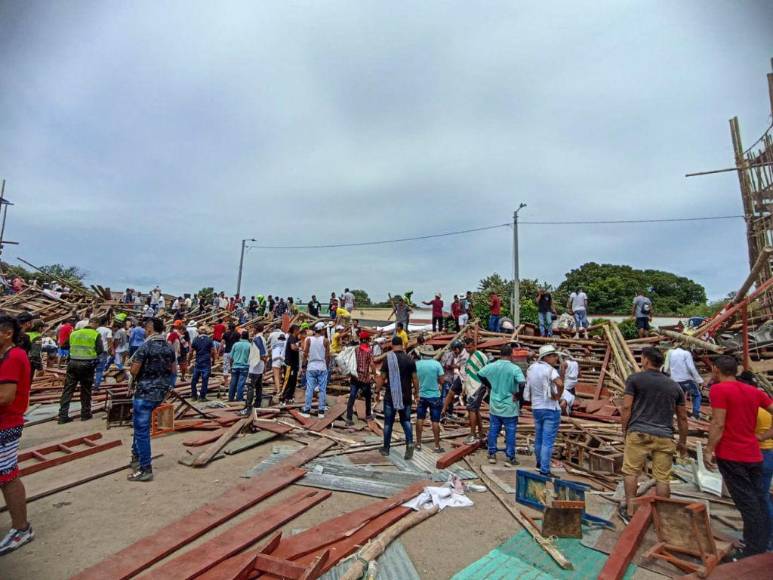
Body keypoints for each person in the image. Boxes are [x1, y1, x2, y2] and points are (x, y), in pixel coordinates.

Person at [704, 356, 773, 558]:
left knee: (747, 503)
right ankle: (760, 543)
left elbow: (718, 423)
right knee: (758, 500)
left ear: (717, 369)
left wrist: (709, 449)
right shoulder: (754, 392)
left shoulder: (719, 390)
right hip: (753, 454)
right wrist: (763, 435)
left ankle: (754, 550)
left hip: (732, 455)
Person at [620, 347, 688, 522]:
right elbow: (682, 417)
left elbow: (626, 407)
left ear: (646, 360)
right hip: (665, 436)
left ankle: (630, 511)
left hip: (639, 432)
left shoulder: (635, 379)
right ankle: (663, 516)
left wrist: (624, 429)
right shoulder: (674, 386)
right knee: (662, 478)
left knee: (631, 472)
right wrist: (682, 441)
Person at [0, 315, 34, 555]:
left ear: (6, 333)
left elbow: (5, 397)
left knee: (7, 475)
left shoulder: (13, 357)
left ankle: (21, 528)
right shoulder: (8, 356)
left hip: (6, 423)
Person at [128, 318, 176, 482]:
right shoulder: (169, 347)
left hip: (145, 392)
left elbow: (134, 370)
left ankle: (145, 468)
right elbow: (173, 370)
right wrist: (169, 385)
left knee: (141, 431)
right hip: (160, 392)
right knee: (141, 428)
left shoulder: (146, 346)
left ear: (149, 329)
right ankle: (136, 456)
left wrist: (132, 371)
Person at [480, 344, 525, 466]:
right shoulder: (515, 368)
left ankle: (492, 454)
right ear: (511, 355)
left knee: (493, 430)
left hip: (495, 404)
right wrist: (519, 396)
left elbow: (480, 373)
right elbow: (522, 383)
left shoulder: (492, 366)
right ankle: (510, 456)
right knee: (510, 432)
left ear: (500, 354)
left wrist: (490, 385)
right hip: (510, 405)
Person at [524, 345, 564, 476]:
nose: (555, 358)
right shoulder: (550, 370)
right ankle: (545, 470)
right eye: (553, 355)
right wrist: (558, 396)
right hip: (550, 407)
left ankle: (539, 464)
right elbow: (560, 384)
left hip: (537, 407)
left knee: (539, 438)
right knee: (547, 441)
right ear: (546, 357)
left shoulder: (532, 368)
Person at [377, 337, 417, 459]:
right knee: (406, 421)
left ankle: (386, 448)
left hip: (391, 396)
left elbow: (382, 377)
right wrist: (417, 393)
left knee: (388, 423)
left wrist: (377, 391)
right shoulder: (410, 359)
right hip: (406, 396)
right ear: (402, 345)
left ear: (392, 345)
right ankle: (410, 443)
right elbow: (415, 378)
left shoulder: (388, 359)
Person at [58, 317, 103, 424]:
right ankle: (85, 414)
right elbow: (100, 350)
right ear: (96, 324)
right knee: (86, 390)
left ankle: (63, 416)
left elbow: (64, 345)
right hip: (87, 365)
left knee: (68, 389)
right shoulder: (95, 334)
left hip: (72, 363)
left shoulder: (74, 333)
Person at [415, 346, 445, 453]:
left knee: (419, 419)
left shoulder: (417, 364)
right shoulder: (437, 364)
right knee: (435, 421)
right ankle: (437, 446)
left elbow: (414, 379)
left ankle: (418, 444)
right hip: (434, 396)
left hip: (422, 395)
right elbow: (442, 381)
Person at [345, 331, 375, 426]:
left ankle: (349, 418)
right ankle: (368, 415)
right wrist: (374, 373)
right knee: (368, 397)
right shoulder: (369, 351)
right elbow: (372, 364)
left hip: (355, 376)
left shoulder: (356, 349)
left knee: (352, 396)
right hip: (365, 378)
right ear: (367, 340)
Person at [665, 346, 704, 419]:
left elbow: (666, 368)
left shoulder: (670, 352)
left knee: (678, 396)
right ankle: (695, 414)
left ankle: (674, 413)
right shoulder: (686, 353)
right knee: (696, 395)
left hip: (675, 380)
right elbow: (691, 367)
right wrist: (699, 380)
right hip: (686, 380)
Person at [462, 338, 489, 444]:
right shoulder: (469, 356)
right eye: (466, 348)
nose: (468, 349)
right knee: (475, 409)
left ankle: (472, 434)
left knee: (472, 410)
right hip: (471, 387)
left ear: (474, 345)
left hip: (477, 385)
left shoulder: (480, 355)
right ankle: (481, 432)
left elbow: (487, 369)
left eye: (469, 347)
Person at [301, 322, 330, 418]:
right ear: (322, 330)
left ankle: (306, 410)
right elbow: (327, 356)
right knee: (322, 389)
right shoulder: (325, 341)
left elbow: (305, 354)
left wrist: (303, 366)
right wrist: (327, 366)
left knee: (309, 388)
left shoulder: (309, 340)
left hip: (311, 367)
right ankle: (321, 411)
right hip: (322, 367)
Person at [241, 325, 268, 415]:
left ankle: (248, 407)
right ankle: (257, 403)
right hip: (259, 366)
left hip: (255, 366)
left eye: (253, 329)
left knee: (250, 387)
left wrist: (264, 360)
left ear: (256, 329)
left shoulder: (257, 338)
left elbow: (263, 353)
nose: (252, 331)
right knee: (258, 386)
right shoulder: (262, 338)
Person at [440, 340, 467, 418]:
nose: (454, 352)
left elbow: (456, 365)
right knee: (449, 394)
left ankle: (447, 412)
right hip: (455, 377)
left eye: (454, 350)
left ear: (457, 349)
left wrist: (450, 366)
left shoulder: (464, 355)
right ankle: (444, 411)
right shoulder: (455, 354)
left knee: (448, 395)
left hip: (464, 378)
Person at [189, 326, 215, 401]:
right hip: (206, 361)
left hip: (198, 361)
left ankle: (194, 396)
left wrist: (189, 361)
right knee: (205, 380)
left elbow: (191, 352)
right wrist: (213, 360)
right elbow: (213, 351)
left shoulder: (195, 339)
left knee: (194, 380)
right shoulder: (209, 340)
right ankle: (202, 397)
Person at [280, 324, 301, 405]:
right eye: (298, 330)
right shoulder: (291, 337)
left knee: (293, 381)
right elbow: (293, 347)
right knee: (287, 381)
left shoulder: (295, 338)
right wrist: (299, 348)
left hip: (294, 364)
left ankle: (289, 397)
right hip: (289, 364)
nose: (299, 331)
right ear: (295, 330)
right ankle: (283, 397)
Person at [228, 331, 251, 402]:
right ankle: (239, 398)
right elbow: (251, 358)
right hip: (244, 367)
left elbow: (231, 357)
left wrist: (231, 366)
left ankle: (231, 397)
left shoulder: (236, 344)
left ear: (241, 336)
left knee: (233, 383)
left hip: (235, 366)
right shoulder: (250, 345)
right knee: (241, 383)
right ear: (248, 337)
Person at [94, 319, 113, 390]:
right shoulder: (108, 330)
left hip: (94, 350)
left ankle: (90, 384)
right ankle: (96, 385)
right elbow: (109, 340)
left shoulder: (95, 329)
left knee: (92, 367)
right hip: (103, 351)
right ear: (106, 322)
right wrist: (111, 350)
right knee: (100, 369)